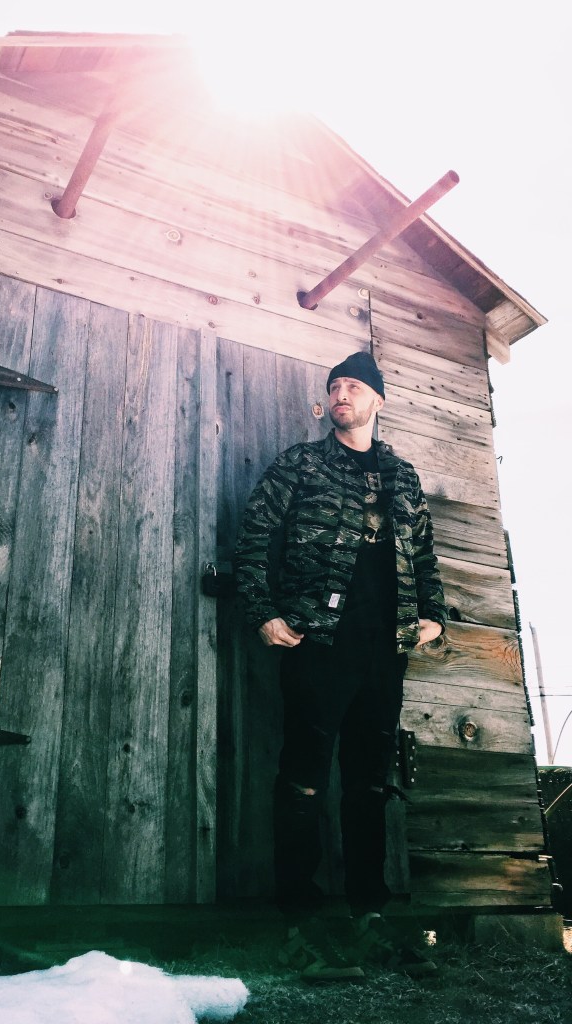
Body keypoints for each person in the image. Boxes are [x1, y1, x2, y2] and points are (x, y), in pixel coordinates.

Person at [234, 350, 446, 982]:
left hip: (384, 649)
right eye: (334, 387)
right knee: (302, 782)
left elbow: (424, 551)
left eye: (353, 386)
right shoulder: (301, 464)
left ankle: (368, 919)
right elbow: (254, 536)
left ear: (378, 400)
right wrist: (263, 613)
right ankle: (298, 926)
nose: (341, 395)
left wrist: (433, 613)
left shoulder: (402, 476)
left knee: (369, 785)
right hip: (318, 643)